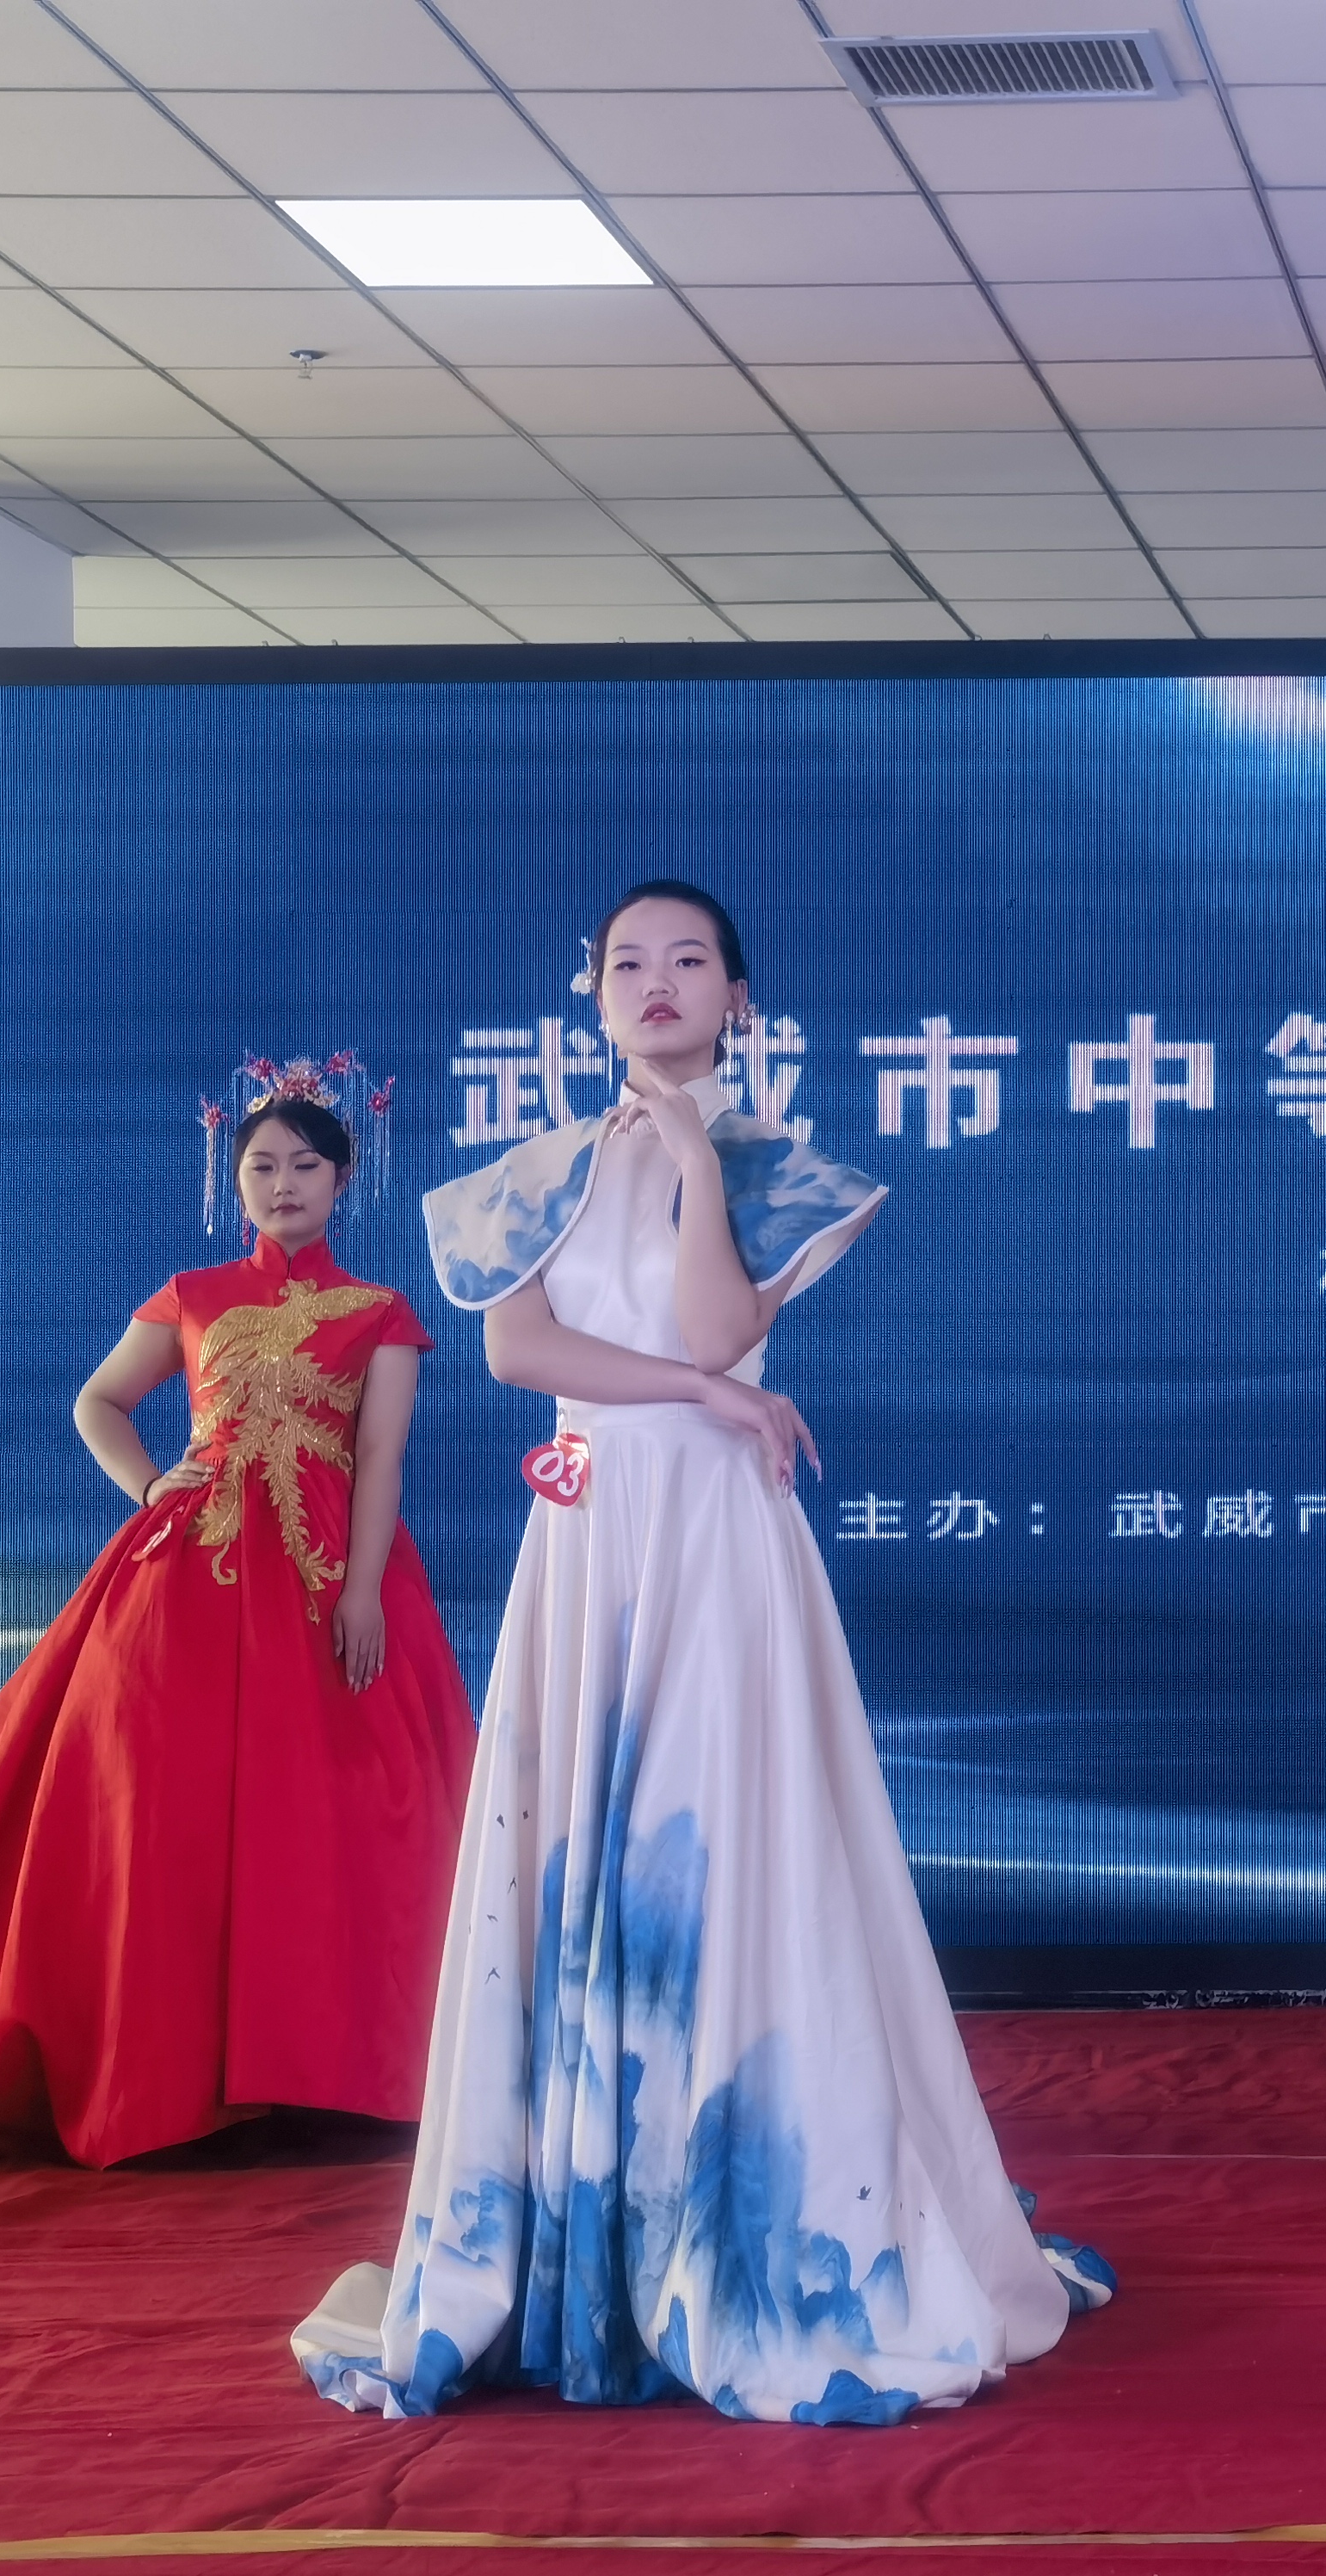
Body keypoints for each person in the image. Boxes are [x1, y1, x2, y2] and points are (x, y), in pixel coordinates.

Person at [296, 882, 1108, 2428]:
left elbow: (720, 1323)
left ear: (740, 996)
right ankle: (574, 2245)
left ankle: (740, 2232)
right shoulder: (528, 1176)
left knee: (728, 1856)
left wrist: (687, 1160)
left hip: (722, 1541)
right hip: (590, 1529)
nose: (654, 981)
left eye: (688, 961)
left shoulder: (786, 1172)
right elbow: (520, 1351)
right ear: (591, 992)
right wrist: (712, 1397)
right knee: (576, 1858)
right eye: (627, 961)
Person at [0, 1065, 471, 2166]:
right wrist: (154, 1483)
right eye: (261, 1166)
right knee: (166, 1807)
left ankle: (334, 2072)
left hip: (328, 1576)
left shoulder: (382, 1313)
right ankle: (166, 2078)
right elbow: (98, 1402)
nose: (282, 1183)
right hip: (186, 1579)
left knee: (335, 1806)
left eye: (305, 1164)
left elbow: (380, 1458)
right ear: (233, 1178)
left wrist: (359, 1590)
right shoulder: (193, 1293)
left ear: (344, 1177)